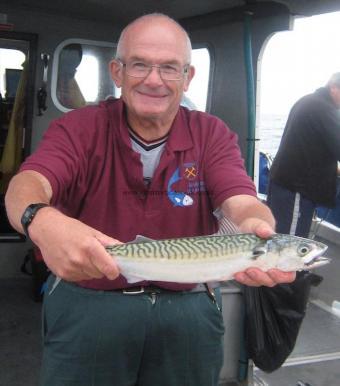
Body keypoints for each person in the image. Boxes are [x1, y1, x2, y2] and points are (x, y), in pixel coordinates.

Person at [5, 13, 295, 386]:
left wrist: (257, 224)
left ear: (188, 77)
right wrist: (40, 220)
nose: (154, 80)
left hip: (189, 308)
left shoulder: (212, 133)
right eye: (139, 64)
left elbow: (239, 197)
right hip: (90, 302)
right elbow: (26, 184)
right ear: (117, 72)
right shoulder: (78, 128)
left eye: (170, 68)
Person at [267, 73, 340, 237]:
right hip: (295, 190)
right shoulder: (323, 108)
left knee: (278, 238)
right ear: (333, 88)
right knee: (290, 244)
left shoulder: (309, 101)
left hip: (286, 185)